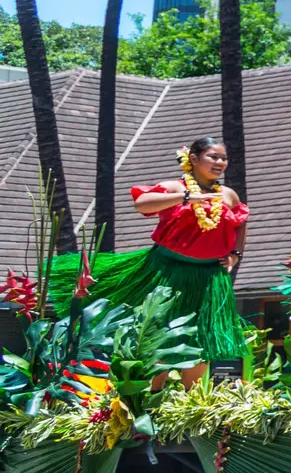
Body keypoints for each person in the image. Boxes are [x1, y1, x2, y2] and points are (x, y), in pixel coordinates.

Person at [62, 138, 250, 377]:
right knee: (159, 330)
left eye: (223, 158)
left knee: (201, 337)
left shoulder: (227, 195)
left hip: (209, 276)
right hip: (167, 272)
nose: (220, 162)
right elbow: (142, 204)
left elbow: (241, 224)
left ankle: (190, 400)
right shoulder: (174, 188)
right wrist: (186, 199)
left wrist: (235, 255)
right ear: (193, 159)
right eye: (213, 157)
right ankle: (152, 398)